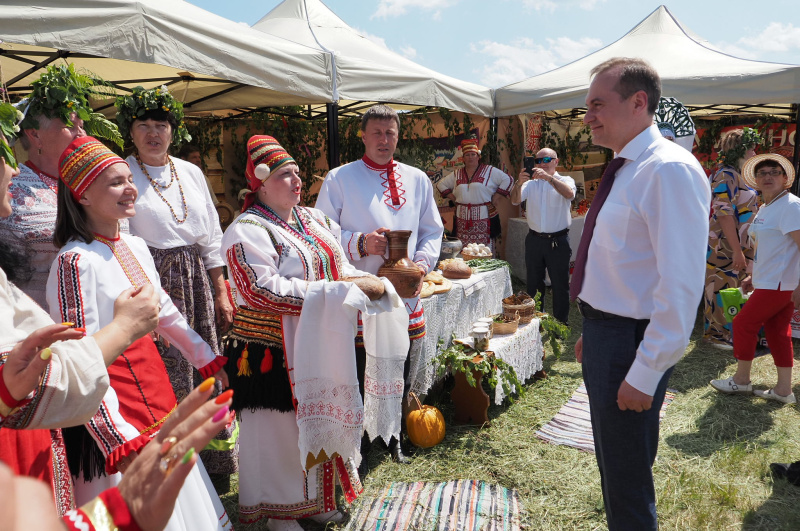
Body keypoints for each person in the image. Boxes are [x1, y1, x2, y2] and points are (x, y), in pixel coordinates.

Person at [220, 135, 405, 530]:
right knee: (279, 432)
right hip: (271, 348)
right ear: (261, 184)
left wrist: (366, 283)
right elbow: (259, 290)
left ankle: (314, 502)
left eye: (298, 172)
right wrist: (338, 292)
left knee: (318, 420)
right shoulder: (246, 229)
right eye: (285, 175)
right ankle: (279, 513)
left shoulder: (314, 219)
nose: (297, 180)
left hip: (318, 340)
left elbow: (338, 264)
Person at [46, 136, 231, 530]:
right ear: (82, 195)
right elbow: (80, 355)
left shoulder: (133, 244)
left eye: (130, 179)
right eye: (116, 182)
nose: (130, 188)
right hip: (109, 407)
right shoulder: (75, 261)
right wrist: (117, 438)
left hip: (152, 388)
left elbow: (162, 309)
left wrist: (205, 357)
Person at [572, 57, 709, 530]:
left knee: (627, 482)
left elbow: (681, 284)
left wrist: (646, 370)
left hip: (631, 343)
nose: (587, 116)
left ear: (638, 102)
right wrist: (595, 329)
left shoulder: (667, 169)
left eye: (597, 104)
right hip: (610, 335)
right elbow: (626, 266)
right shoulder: (629, 167)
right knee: (616, 468)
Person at [115, 86, 237, 488]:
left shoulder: (191, 172)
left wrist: (220, 290)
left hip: (197, 280)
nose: (153, 133)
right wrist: (144, 306)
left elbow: (211, 237)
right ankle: (175, 467)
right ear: (131, 132)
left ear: (173, 131)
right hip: (150, 280)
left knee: (206, 367)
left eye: (161, 125)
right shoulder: (122, 173)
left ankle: (215, 467)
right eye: (144, 125)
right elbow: (122, 241)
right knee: (167, 375)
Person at [315, 104, 444, 464]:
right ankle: (358, 438)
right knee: (360, 367)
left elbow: (432, 229)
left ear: (398, 137)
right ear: (363, 135)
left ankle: (394, 435)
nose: (384, 140)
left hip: (404, 294)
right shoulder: (339, 178)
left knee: (399, 363)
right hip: (362, 292)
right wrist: (359, 242)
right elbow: (320, 232)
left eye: (390, 133)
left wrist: (421, 265)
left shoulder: (417, 179)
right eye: (377, 132)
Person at [0, 63, 122, 310]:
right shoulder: (9, 188)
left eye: (82, 125)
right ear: (35, 135)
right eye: (69, 125)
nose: (81, 133)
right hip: (39, 318)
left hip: (108, 312)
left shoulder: (99, 182)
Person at [710, 154, 799, 404]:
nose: (768, 177)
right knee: (777, 332)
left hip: (780, 283)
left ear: (785, 178)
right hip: (770, 281)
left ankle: (741, 380)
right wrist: (753, 275)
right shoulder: (767, 207)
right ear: (756, 180)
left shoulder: (791, 206)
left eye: (774, 172)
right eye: (762, 173)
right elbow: (768, 249)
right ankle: (784, 390)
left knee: (743, 324)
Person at [703, 128, 762, 350]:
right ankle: (715, 335)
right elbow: (723, 213)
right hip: (724, 245)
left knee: (733, 288)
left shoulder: (739, 175)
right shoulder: (725, 175)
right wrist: (737, 250)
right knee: (719, 286)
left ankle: (728, 332)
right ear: (739, 149)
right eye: (751, 149)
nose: (754, 153)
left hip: (739, 245)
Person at [510, 147, 576, 324]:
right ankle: (536, 322)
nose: (541, 164)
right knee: (533, 284)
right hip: (535, 240)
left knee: (560, 284)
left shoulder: (565, 180)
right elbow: (515, 200)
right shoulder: (531, 184)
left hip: (558, 240)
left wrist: (549, 178)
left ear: (556, 161)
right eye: (538, 161)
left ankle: (560, 324)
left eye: (546, 160)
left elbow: (570, 194)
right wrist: (519, 183)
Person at [436, 138, 512, 253]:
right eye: (467, 155)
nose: (470, 157)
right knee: (463, 249)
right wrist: (453, 198)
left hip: (483, 215)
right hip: (462, 217)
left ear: (478, 157)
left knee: (483, 250)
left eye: (473, 154)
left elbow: (508, 180)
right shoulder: (457, 173)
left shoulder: (489, 171)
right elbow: (441, 184)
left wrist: (496, 196)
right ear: (463, 158)